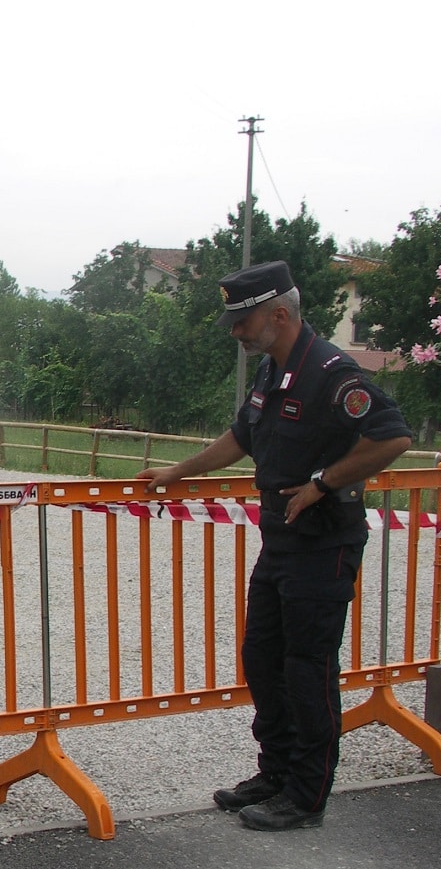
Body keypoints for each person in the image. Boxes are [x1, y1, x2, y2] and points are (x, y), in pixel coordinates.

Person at [140, 261, 412, 831]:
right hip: (281, 542)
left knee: (307, 668)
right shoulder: (272, 371)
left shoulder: (332, 373)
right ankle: (275, 772)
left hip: (324, 543)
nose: (235, 331)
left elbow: (392, 437)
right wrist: (182, 471)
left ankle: (306, 794)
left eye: (242, 321)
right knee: (263, 659)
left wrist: (323, 483)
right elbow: (243, 435)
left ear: (279, 314)